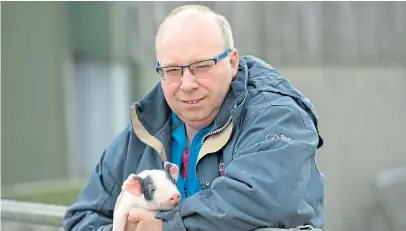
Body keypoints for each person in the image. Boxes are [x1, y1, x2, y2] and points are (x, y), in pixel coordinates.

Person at [63, 4, 324, 231]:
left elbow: (265, 197)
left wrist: (165, 226)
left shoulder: (276, 114)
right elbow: (82, 218)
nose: (187, 84)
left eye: (201, 67)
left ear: (232, 62)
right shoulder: (147, 124)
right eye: (173, 70)